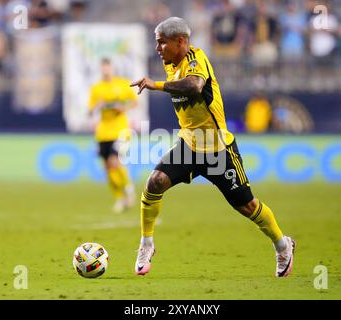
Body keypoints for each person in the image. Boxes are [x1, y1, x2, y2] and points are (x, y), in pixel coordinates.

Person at [130, 17, 295, 277]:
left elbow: (195, 86)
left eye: (162, 43)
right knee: (155, 182)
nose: (158, 49)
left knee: (247, 206)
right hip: (189, 144)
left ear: (181, 41)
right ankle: (146, 244)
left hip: (217, 147)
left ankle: (283, 245)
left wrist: (156, 85)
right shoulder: (170, 62)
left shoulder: (197, 59)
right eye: (156, 43)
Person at [88, 58, 137, 213]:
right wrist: (98, 105)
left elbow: (134, 102)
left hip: (121, 130)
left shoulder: (122, 84)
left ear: (112, 68)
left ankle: (129, 189)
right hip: (103, 133)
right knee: (108, 169)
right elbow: (89, 111)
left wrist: (123, 107)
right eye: (103, 68)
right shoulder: (97, 89)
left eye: (107, 68)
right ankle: (120, 198)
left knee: (115, 161)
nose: (105, 71)